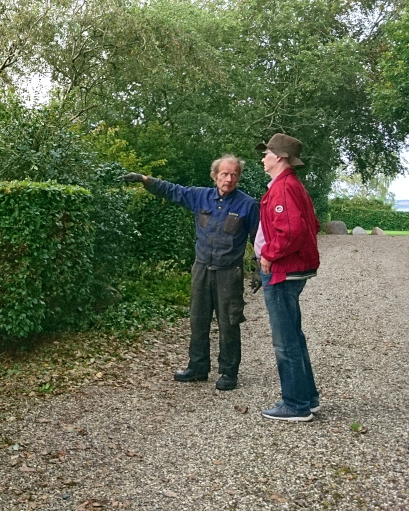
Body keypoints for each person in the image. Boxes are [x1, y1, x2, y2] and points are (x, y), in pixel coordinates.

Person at [120, 156, 259, 391]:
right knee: (198, 319)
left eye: (234, 175)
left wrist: (258, 267)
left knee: (229, 323)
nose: (229, 179)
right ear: (215, 175)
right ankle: (197, 367)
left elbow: (259, 237)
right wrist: (145, 179)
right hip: (202, 268)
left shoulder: (248, 204)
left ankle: (228, 373)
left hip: (229, 273)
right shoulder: (200, 196)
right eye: (225, 174)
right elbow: (172, 190)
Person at [254, 133, 321, 422]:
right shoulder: (292, 186)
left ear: (279, 157)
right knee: (294, 335)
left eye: (266, 153)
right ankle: (308, 398)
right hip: (293, 269)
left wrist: (269, 254)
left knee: (286, 340)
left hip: (283, 272)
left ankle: (295, 404)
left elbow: (291, 231)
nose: (262, 157)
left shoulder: (283, 188)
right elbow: (313, 224)